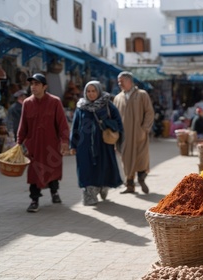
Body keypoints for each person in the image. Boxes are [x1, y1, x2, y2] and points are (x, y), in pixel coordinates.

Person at [17, 73, 69, 213]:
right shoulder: (27, 103)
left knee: (51, 169)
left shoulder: (55, 101)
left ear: (44, 86)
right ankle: (34, 200)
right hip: (33, 146)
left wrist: (64, 141)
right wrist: (19, 143)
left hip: (51, 145)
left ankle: (54, 192)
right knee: (34, 173)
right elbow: (23, 125)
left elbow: (62, 124)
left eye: (36, 84)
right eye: (32, 84)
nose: (33, 87)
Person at [69, 81, 124, 206]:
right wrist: (73, 144)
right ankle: (89, 195)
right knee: (85, 169)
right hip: (84, 145)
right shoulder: (81, 107)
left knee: (102, 168)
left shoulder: (108, 105)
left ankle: (103, 187)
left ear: (99, 91)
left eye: (94, 91)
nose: (91, 94)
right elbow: (75, 127)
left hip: (103, 145)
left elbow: (119, 124)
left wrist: (105, 123)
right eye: (88, 91)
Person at [113, 71, 154, 194]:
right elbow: (114, 118)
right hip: (124, 136)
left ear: (130, 81)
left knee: (141, 158)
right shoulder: (117, 98)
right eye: (118, 81)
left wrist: (144, 129)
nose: (119, 83)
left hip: (139, 134)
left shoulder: (142, 95)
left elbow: (149, 112)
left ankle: (141, 178)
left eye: (122, 81)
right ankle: (130, 185)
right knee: (126, 160)